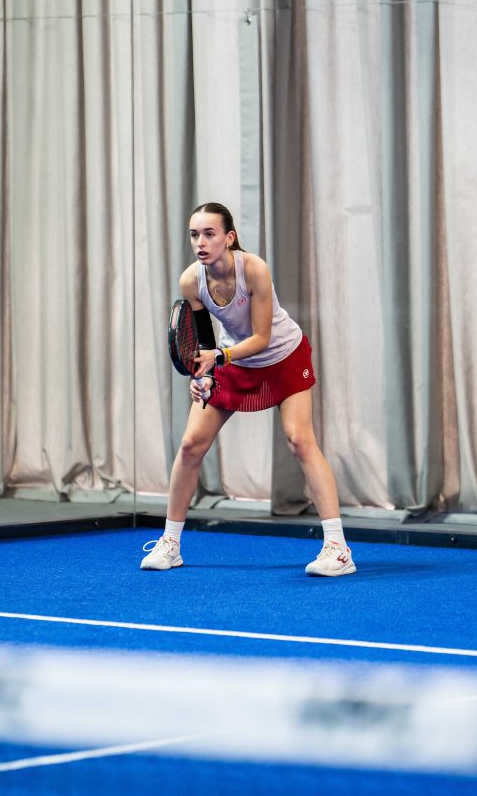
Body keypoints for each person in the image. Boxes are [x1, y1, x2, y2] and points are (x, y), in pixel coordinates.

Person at [141, 202, 355, 577]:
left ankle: (338, 549)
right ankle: (170, 544)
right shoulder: (191, 281)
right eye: (194, 235)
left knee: (299, 441)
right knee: (190, 445)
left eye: (209, 234)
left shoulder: (254, 269)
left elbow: (261, 337)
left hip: (283, 357)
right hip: (233, 361)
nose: (200, 242)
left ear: (229, 238)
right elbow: (204, 342)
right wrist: (202, 377)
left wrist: (218, 358)